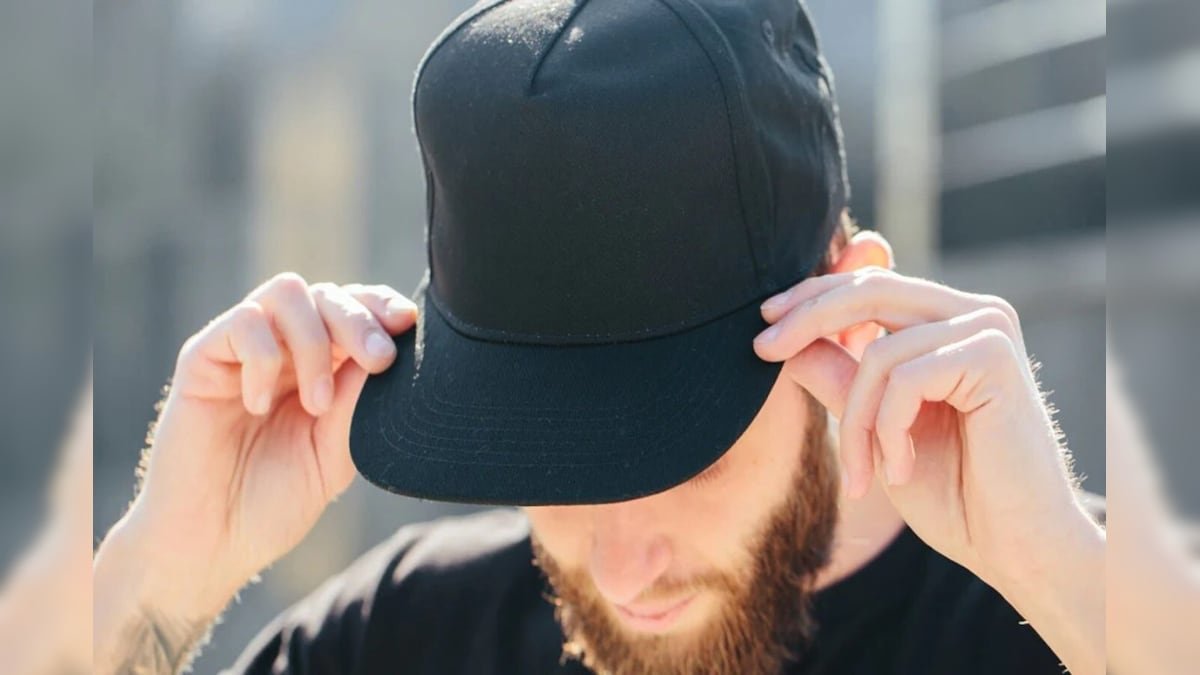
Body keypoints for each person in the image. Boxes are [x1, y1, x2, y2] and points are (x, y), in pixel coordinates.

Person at [94, 0, 1105, 673]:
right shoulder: (404, 639)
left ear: (853, 313)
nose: (622, 571)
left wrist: (1068, 584)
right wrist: (163, 577)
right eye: (553, 462)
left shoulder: (1081, 616)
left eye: (681, 452)